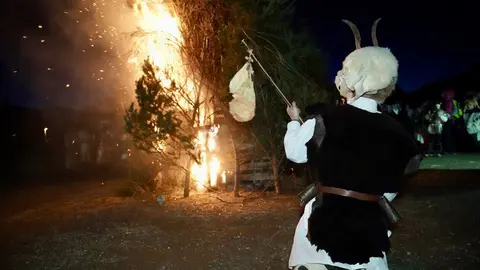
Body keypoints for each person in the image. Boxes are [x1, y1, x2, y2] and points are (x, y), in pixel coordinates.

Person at [284, 18, 422, 270]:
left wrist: (294, 123)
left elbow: (294, 153)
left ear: (352, 81)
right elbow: (390, 188)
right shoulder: (401, 134)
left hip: (316, 244)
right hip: (370, 246)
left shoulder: (324, 120)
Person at [441, 89, 463, 154]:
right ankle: (452, 150)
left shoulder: (448, 101)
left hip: (450, 119)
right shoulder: (453, 101)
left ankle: (449, 150)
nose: (442, 95)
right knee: (451, 134)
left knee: (447, 134)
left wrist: (443, 114)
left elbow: (448, 111)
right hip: (455, 119)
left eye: (443, 94)